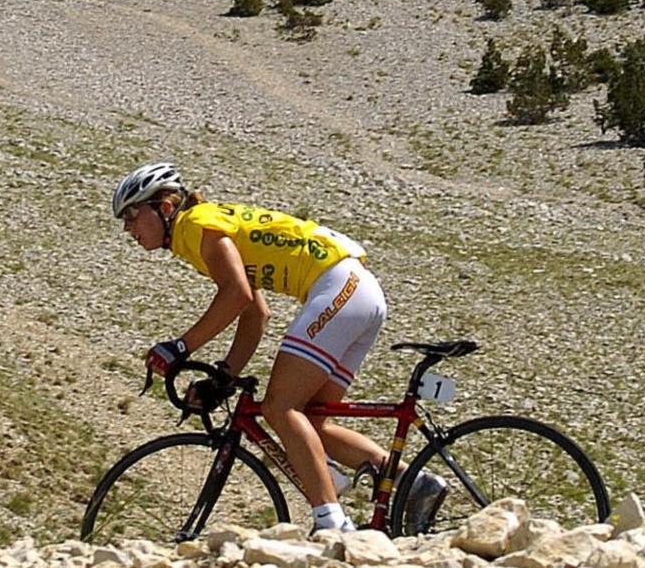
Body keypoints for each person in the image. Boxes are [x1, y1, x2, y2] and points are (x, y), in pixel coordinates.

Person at [111, 162, 445, 535]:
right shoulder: (206, 226)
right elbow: (256, 314)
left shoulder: (196, 225)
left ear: (165, 208)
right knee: (310, 421)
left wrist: (179, 347)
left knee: (280, 407)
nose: (127, 228)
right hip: (357, 290)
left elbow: (236, 294)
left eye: (132, 215)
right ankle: (414, 483)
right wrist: (224, 377)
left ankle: (331, 523)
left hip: (340, 287)